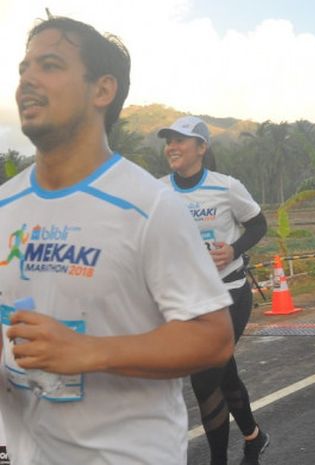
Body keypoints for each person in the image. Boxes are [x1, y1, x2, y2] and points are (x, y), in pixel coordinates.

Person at [0, 17, 234, 465]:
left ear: (101, 91)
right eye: (23, 68)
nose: (27, 79)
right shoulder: (5, 206)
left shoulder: (150, 206)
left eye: (49, 65)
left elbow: (213, 338)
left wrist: (91, 352)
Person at [157, 116, 270, 465]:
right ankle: (254, 438)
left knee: (205, 380)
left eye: (180, 141)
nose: (172, 147)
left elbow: (258, 224)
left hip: (229, 294)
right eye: (169, 141)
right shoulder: (157, 190)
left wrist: (234, 250)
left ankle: (217, 460)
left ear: (202, 148)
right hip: (187, 300)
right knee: (225, 374)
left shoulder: (226, 187)